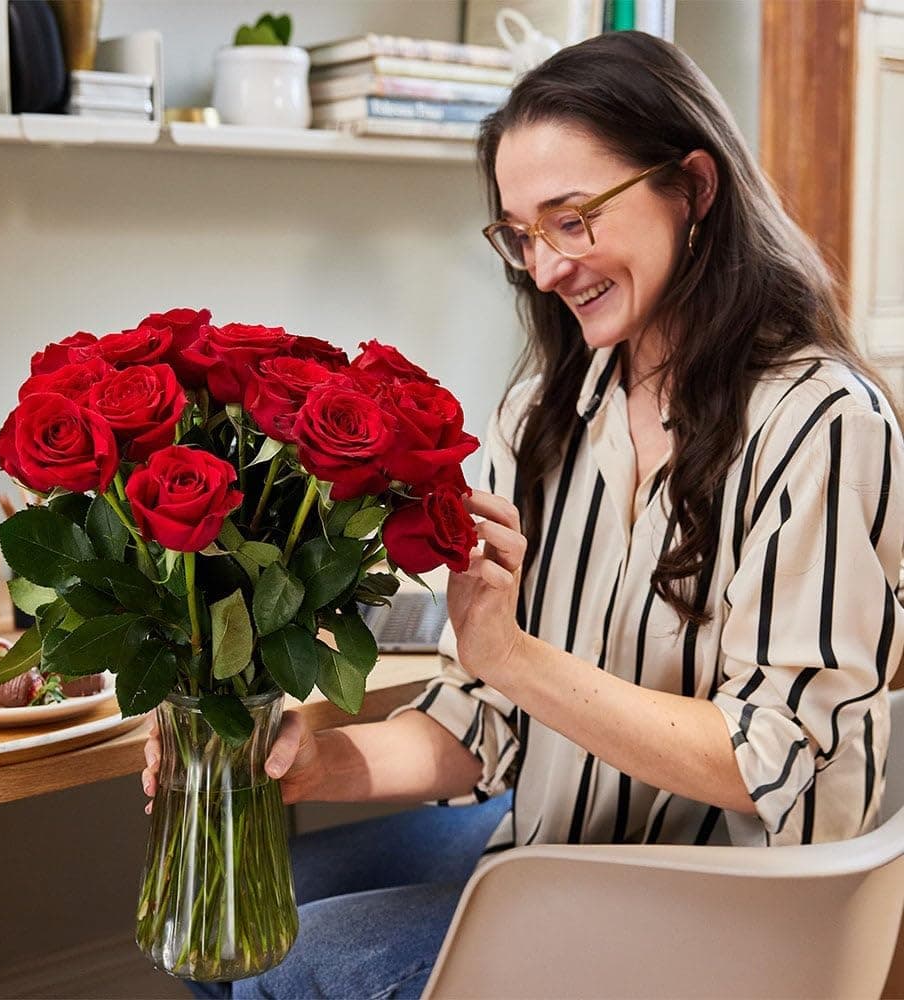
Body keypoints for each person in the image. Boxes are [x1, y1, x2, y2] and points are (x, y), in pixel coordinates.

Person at [142, 30, 904, 999]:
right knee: (226, 911)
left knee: (299, 965)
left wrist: (511, 654)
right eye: (520, 233)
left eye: (572, 220)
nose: (542, 268)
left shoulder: (823, 420)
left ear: (694, 190)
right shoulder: (544, 412)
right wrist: (306, 761)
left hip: (739, 910)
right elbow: (488, 717)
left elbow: (771, 756)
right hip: (561, 850)